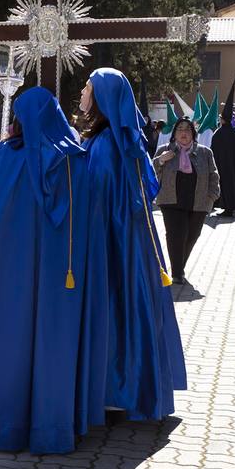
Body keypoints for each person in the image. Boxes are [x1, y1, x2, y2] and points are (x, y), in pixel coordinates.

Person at [0, 87, 108, 453]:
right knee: (51, 347)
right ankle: (51, 426)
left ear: (16, 121)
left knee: (6, 345)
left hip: (5, 285)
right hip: (57, 288)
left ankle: (2, 423)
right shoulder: (74, 164)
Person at [78, 67, 185, 423]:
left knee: (116, 308)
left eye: (87, 88)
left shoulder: (107, 146)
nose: (81, 93)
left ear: (103, 99)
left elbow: (94, 198)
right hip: (126, 241)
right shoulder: (113, 141)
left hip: (114, 243)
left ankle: (116, 389)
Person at [152, 117, 221, 285]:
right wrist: (161, 160)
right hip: (170, 200)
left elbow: (214, 175)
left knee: (192, 235)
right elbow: (150, 170)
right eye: (180, 129)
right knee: (176, 235)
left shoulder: (205, 152)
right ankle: (177, 272)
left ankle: (178, 266)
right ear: (174, 133)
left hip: (198, 201)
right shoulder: (164, 149)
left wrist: (211, 197)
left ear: (193, 134)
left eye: (187, 130)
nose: (184, 133)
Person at [209, 82, 235, 216]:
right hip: (233, 166)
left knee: (223, 185)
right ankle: (229, 208)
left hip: (221, 165)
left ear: (223, 120)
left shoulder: (218, 133)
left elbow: (213, 150)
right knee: (231, 185)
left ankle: (225, 208)